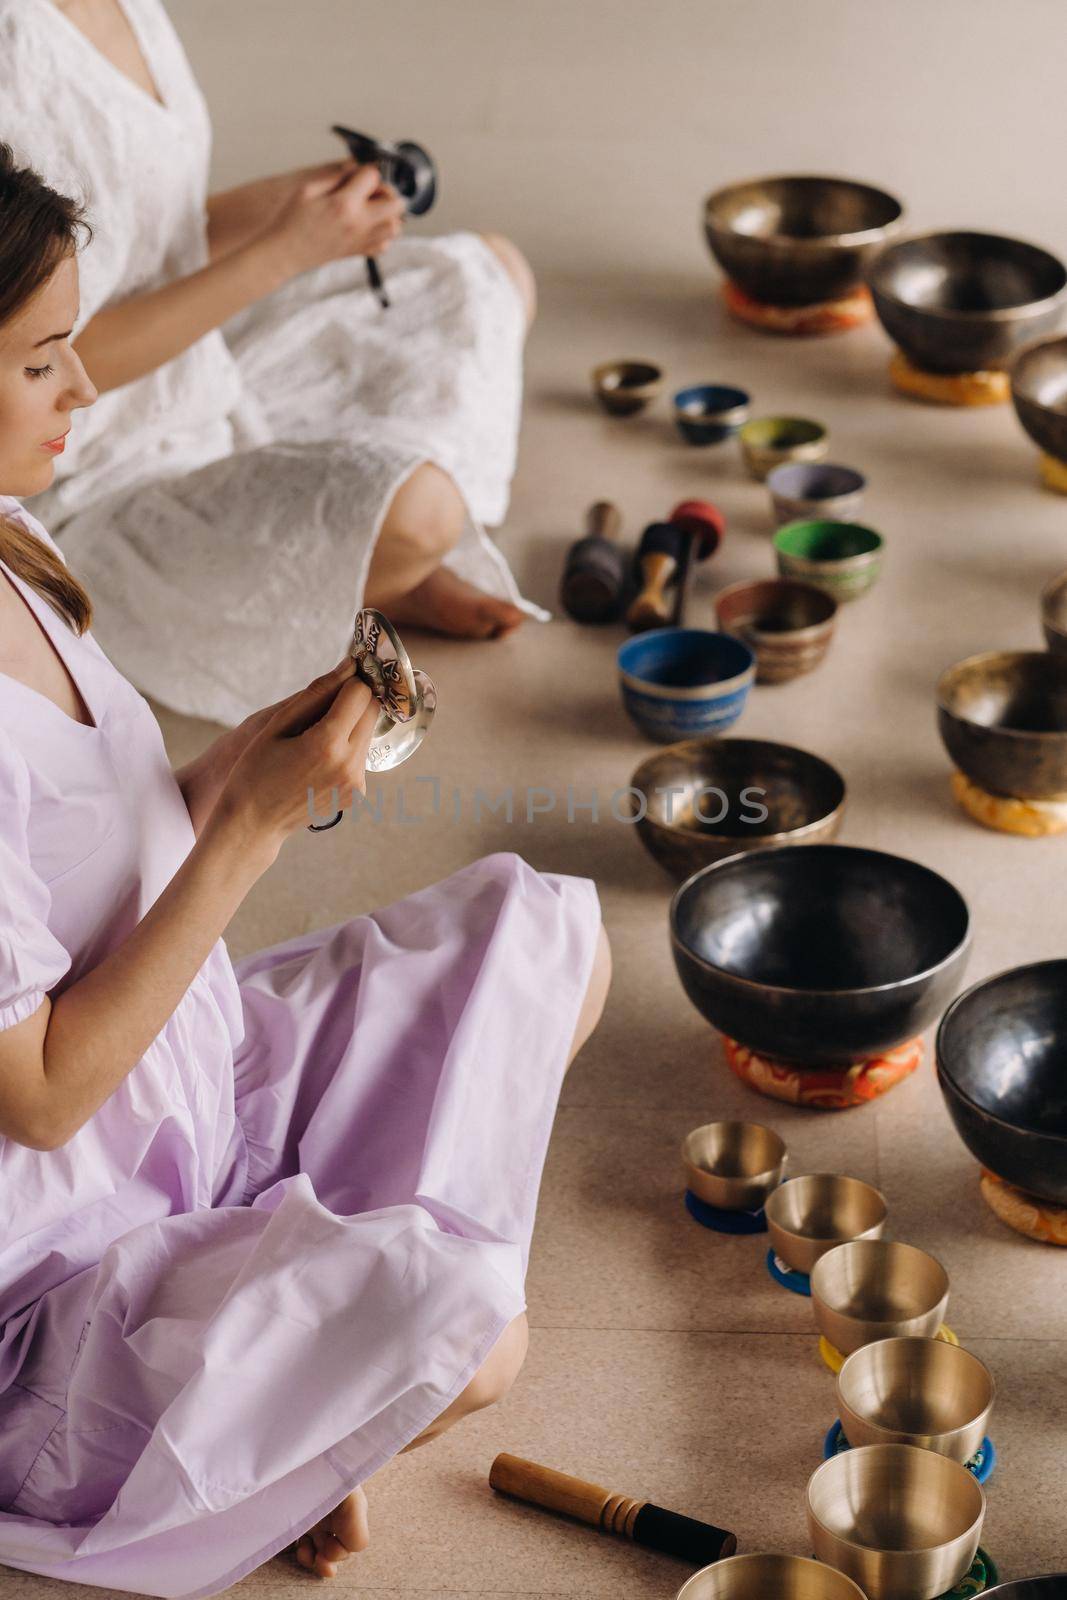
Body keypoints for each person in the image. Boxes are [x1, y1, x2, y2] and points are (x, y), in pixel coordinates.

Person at [0, 146, 611, 1597]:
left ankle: (293, 1409)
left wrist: (243, 763)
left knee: (542, 934)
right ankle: (260, 1430)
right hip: (63, 1278)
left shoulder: (12, 541)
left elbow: (107, 816)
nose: (85, 389)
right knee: (471, 1321)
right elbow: (41, 1094)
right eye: (38, 363)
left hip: (191, 1100)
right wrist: (254, 832)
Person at [0, 0, 551, 728]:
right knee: (421, 514)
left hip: (207, 380)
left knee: (484, 275)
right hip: (87, 477)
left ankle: (351, 558)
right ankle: (359, 566)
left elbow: (147, 224)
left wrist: (303, 204)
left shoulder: (127, 7)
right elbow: (47, 357)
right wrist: (287, 252)